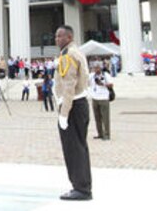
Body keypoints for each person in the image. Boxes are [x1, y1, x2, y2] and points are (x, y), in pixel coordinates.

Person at [53, 25, 92, 201]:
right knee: (80, 147)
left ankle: (81, 189)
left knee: (73, 149)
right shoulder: (77, 51)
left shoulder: (68, 55)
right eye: (56, 36)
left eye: (60, 36)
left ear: (69, 37)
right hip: (80, 104)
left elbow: (69, 86)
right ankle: (82, 186)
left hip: (73, 105)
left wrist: (63, 113)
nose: (56, 39)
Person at [88, 63, 113, 141]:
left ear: (101, 68)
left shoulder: (105, 75)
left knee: (105, 118)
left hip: (104, 98)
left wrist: (102, 84)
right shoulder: (91, 76)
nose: (96, 70)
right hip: (95, 98)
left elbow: (111, 85)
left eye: (98, 68)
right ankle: (100, 133)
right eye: (95, 68)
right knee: (97, 117)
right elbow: (87, 83)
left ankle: (107, 134)